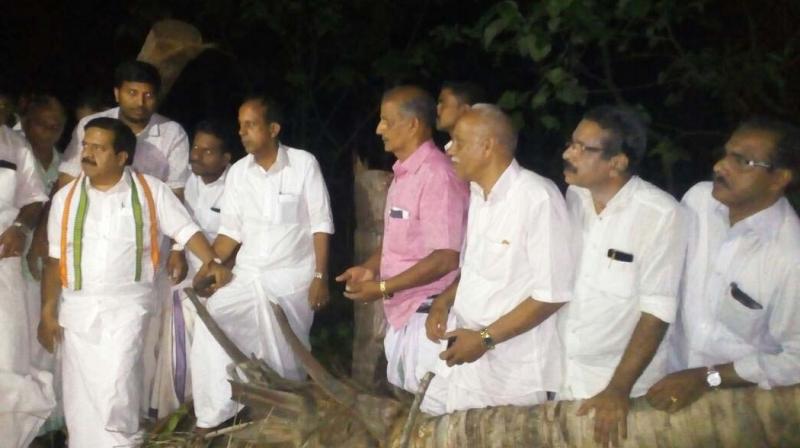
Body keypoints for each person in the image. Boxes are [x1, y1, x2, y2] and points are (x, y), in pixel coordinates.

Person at [38, 117, 231, 446]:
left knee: (117, 391)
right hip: (78, 311)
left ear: (122, 156)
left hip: (127, 308)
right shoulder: (65, 199)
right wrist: (47, 311)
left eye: (99, 147)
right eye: (86, 145)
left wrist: (212, 261)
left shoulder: (150, 191)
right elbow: (55, 260)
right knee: (80, 401)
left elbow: (186, 230)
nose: (87, 153)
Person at [191, 95, 333, 432]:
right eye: (240, 125)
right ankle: (217, 413)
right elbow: (230, 233)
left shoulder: (303, 164)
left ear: (273, 129)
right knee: (212, 319)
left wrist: (319, 276)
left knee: (285, 343)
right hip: (249, 273)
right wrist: (209, 263)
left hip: (293, 276)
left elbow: (321, 224)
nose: (242, 132)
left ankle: (286, 409)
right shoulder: (238, 173)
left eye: (251, 125)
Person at [422, 104, 573, 414]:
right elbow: (478, 269)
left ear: (488, 146)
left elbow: (552, 295)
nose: (449, 149)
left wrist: (484, 339)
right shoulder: (478, 195)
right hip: (466, 358)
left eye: (459, 142)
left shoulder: (536, 197)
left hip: (513, 373)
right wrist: (444, 301)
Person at [647, 118, 800, 412]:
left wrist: (708, 377)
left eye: (742, 161)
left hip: (737, 408)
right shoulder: (698, 202)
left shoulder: (789, 258)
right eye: (726, 153)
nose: (720, 166)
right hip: (663, 385)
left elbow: (795, 359)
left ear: (779, 178)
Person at [557, 105, 687, 447]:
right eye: (572, 143)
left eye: (584, 149)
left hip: (619, 392)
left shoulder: (660, 214)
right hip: (563, 377)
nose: (568, 153)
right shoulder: (575, 196)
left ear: (618, 163)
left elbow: (657, 311)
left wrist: (618, 389)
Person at [337, 85, 469, 414]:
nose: (379, 129)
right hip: (405, 313)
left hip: (430, 314)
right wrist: (371, 267)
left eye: (386, 121)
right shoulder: (404, 173)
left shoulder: (437, 174)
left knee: (440, 409)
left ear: (412, 124)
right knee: (417, 402)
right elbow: (401, 239)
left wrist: (382, 287)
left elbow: (446, 256)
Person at [150, 118, 239, 416]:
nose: (196, 155)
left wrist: (218, 271)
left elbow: (240, 237)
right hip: (188, 272)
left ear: (226, 158)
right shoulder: (188, 179)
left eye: (207, 151)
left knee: (200, 330)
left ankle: (209, 406)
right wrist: (176, 249)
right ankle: (174, 408)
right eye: (196, 147)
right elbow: (181, 225)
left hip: (225, 276)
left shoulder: (237, 185)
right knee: (173, 320)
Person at [57, 60, 190, 196]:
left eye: (148, 95)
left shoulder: (173, 133)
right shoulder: (91, 125)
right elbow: (69, 176)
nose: (140, 103)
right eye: (132, 93)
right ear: (117, 93)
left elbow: (176, 190)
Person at [0, 123, 55, 448]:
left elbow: (34, 197)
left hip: (3, 262)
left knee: (8, 362)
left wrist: (21, 226)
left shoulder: (13, 143)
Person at [435, 81, 486, 149]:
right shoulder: (448, 149)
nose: (437, 108)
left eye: (443, 103)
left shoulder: (481, 149)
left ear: (465, 110)